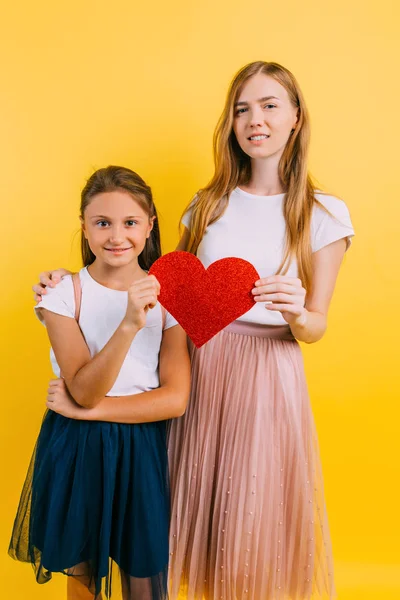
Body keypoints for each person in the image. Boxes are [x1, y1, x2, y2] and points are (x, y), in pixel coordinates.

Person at [32, 61, 355, 600]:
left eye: (270, 105)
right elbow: (154, 279)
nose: (256, 119)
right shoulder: (207, 206)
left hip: (265, 373)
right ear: (230, 122)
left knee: (252, 518)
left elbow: (317, 325)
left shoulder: (323, 213)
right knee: (184, 515)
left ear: (296, 117)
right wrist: (71, 281)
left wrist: (299, 313)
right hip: (199, 364)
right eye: (242, 108)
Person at [10, 165, 190, 600]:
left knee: (143, 575)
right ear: (85, 228)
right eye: (102, 223)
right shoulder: (61, 296)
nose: (116, 236)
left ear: (150, 226)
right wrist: (129, 324)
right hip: (77, 447)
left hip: (143, 446)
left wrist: (84, 407)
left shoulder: (169, 302)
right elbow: (85, 387)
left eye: (130, 222)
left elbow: (175, 399)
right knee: (83, 574)